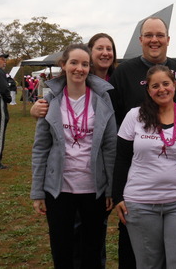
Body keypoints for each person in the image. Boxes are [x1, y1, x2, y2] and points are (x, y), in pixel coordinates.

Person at [108, 17, 176, 269]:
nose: (154, 40)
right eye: (149, 35)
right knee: (139, 255)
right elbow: (110, 117)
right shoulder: (124, 73)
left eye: (160, 35)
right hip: (139, 184)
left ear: (168, 40)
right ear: (140, 40)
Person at [30, 33, 118, 268]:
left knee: (92, 249)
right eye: (74, 63)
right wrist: (38, 191)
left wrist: (110, 188)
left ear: (90, 68)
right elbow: (41, 148)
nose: (79, 68)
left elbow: (110, 147)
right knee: (62, 251)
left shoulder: (102, 99)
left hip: (94, 189)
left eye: (85, 64)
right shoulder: (50, 100)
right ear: (64, 65)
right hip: (59, 190)